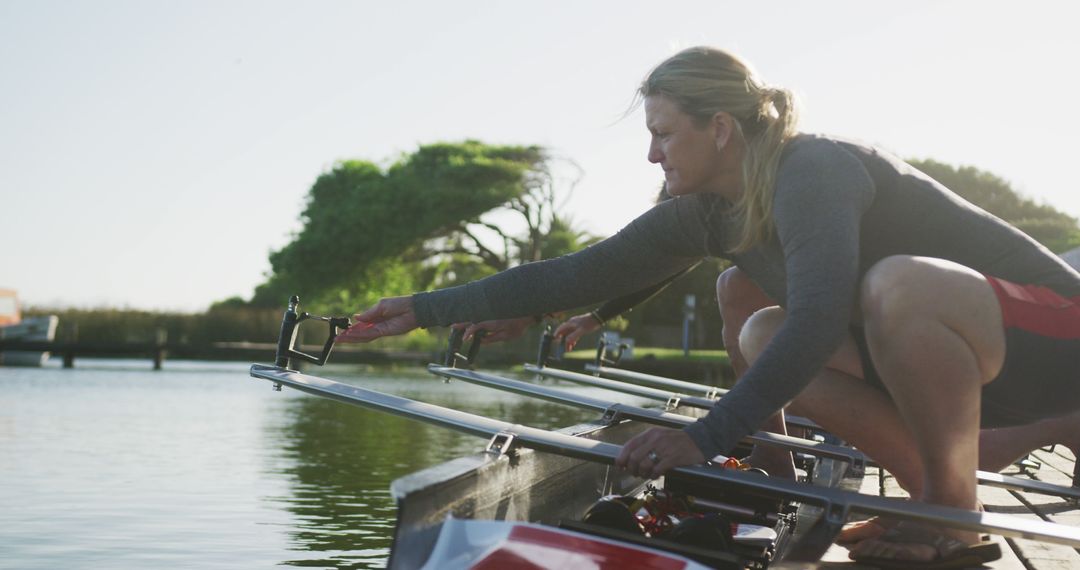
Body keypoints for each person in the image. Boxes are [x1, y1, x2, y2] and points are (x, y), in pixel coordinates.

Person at [337, 46, 1080, 566]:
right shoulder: (709, 214)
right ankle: (933, 494)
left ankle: (950, 516)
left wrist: (708, 433)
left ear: (718, 128)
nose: (653, 155)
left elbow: (823, 314)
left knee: (894, 286)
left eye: (664, 133)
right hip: (972, 363)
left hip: (1057, 335)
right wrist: (422, 308)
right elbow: (581, 271)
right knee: (762, 330)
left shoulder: (813, 169)